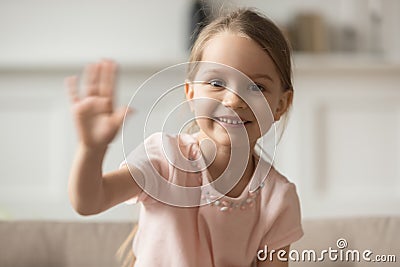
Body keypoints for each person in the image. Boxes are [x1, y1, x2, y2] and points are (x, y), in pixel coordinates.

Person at [66, 8, 303, 267]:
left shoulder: (278, 198)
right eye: (216, 83)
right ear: (191, 93)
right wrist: (91, 149)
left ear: (281, 104)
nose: (233, 100)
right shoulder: (164, 160)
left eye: (256, 87)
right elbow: (90, 201)